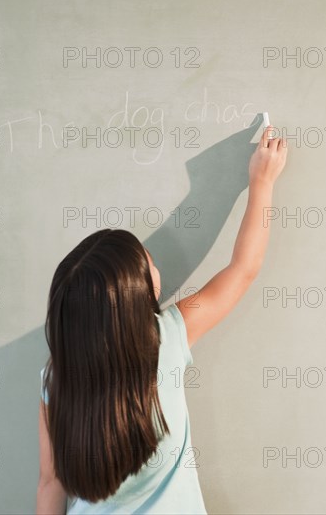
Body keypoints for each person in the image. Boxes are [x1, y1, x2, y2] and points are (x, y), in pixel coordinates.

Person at [37, 125, 288, 514]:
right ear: (138, 297)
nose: (156, 263)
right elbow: (242, 270)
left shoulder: (55, 378)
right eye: (148, 263)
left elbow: (51, 483)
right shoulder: (166, 338)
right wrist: (262, 181)